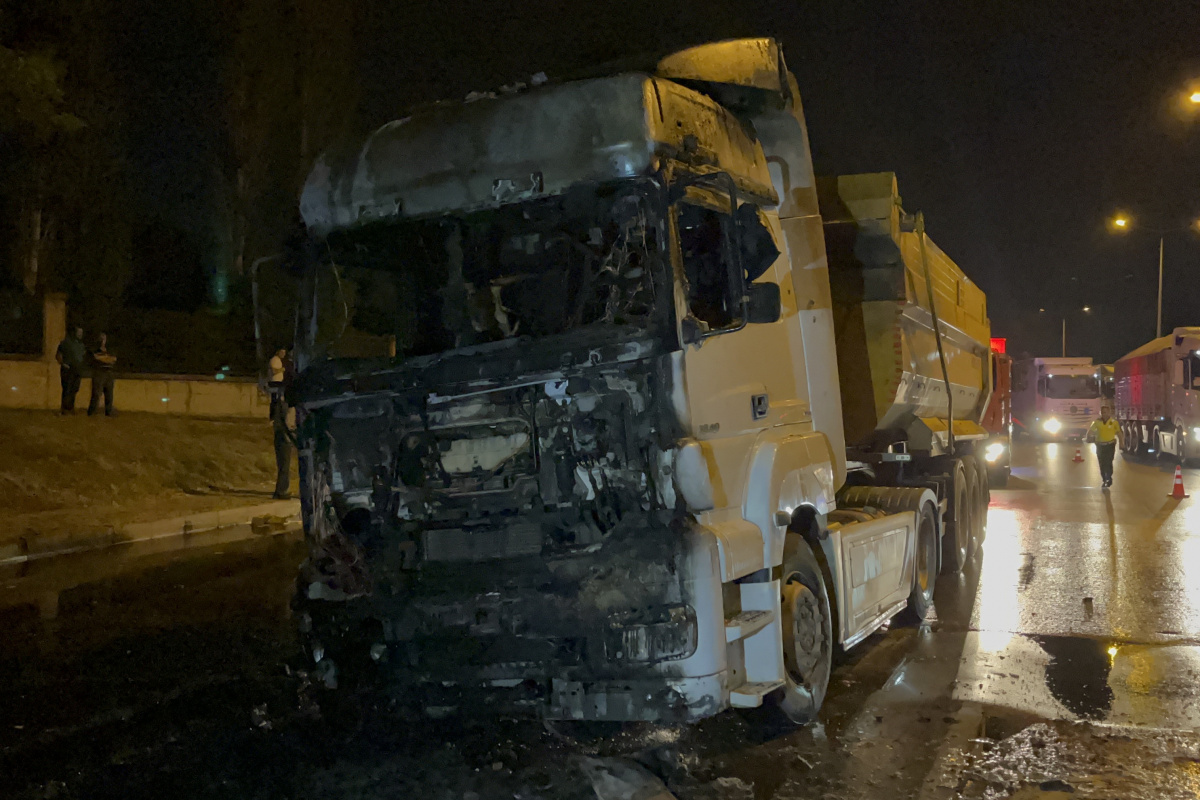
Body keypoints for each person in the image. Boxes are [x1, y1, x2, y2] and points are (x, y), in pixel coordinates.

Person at [1086, 404, 1121, 488]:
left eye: (1105, 412)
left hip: (1110, 445)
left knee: (1108, 462)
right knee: (1102, 463)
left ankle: (1109, 477)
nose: (1104, 414)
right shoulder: (1097, 422)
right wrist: (1089, 437)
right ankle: (1104, 479)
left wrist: (1122, 443)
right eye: (1102, 412)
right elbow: (1090, 431)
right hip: (1100, 446)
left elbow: (1119, 433)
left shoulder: (1114, 422)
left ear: (1109, 413)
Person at [55, 326, 86, 414]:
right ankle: (64, 409)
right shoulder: (65, 343)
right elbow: (58, 354)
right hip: (67, 370)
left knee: (75, 389)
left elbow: (82, 356)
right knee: (67, 389)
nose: (80, 334)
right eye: (79, 332)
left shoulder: (81, 345)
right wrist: (63, 364)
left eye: (81, 333)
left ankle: (70, 408)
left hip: (77, 370)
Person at [87, 332, 117, 417]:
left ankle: (109, 411)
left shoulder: (110, 349)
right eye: (101, 338)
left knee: (109, 394)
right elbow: (97, 358)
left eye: (104, 338)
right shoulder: (94, 349)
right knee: (96, 394)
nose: (103, 340)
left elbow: (113, 359)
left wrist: (104, 359)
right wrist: (107, 359)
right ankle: (92, 412)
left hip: (109, 373)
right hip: (99, 373)